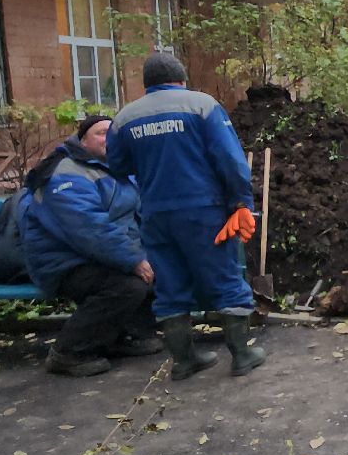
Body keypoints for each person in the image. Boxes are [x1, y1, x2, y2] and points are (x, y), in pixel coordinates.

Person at [107, 55, 264, 379]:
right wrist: (241, 202)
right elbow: (230, 160)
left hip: (155, 214)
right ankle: (242, 355)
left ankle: (184, 360)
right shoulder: (202, 106)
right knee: (224, 277)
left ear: (146, 84)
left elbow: (119, 166)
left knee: (170, 284)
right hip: (203, 211)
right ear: (181, 79)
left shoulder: (125, 118)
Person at [19, 115, 163, 377]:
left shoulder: (117, 169)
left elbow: (139, 215)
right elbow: (89, 229)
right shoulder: (67, 173)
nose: (109, 138)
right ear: (82, 140)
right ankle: (69, 352)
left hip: (102, 256)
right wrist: (134, 260)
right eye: (100, 133)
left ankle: (122, 336)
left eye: (113, 133)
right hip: (64, 261)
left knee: (162, 266)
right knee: (126, 286)